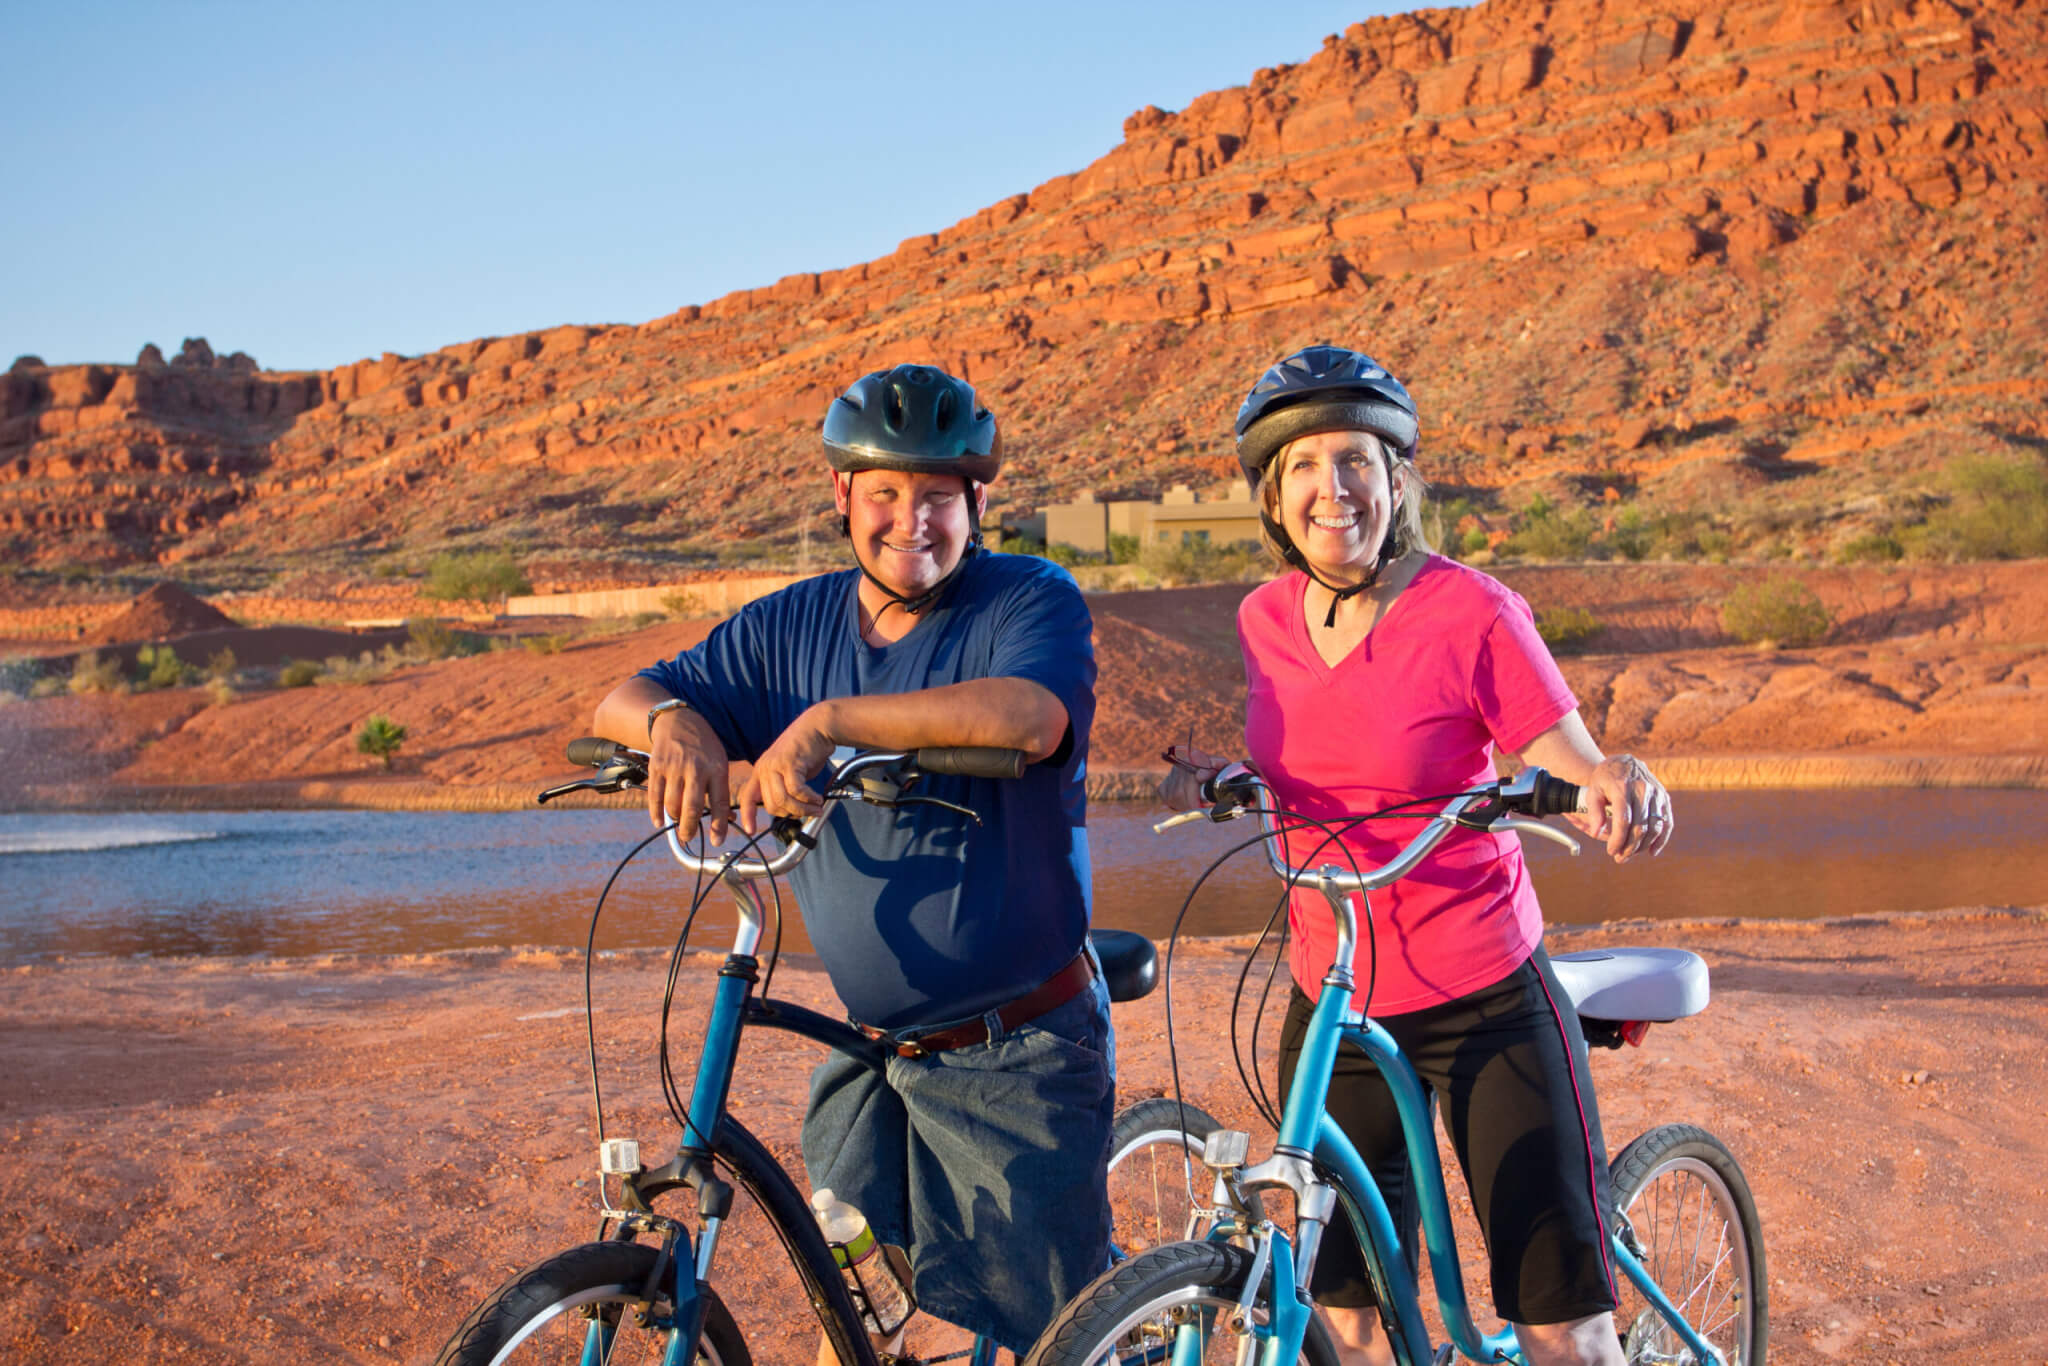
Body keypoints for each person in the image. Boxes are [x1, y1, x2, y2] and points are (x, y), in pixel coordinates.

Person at [1161, 345, 1675, 1366]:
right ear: (1272, 495)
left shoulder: (1472, 609)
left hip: (1480, 994)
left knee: (1559, 1330)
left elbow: (1563, 755)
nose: (1330, 488)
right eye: (1301, 467)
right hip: (1333, 994)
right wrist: (1216, 777)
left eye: (1353, 459)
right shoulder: (1262, 619)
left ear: (1395, 477)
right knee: (1343, 1320)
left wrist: (1607, 781)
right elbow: (1310, 751)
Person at [591, 363, 1111, 1361]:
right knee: (856, 1314)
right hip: (869, 1046)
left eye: (935, 495)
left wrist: (827, 724)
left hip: (1017, 1046)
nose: (908, 519)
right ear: (842, 496)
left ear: (977, 501)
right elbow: (628, 690)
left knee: (1044, 1340)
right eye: (884, 492)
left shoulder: (1028, 597)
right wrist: (672, 727)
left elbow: (1031, 717)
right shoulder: (792, 621)